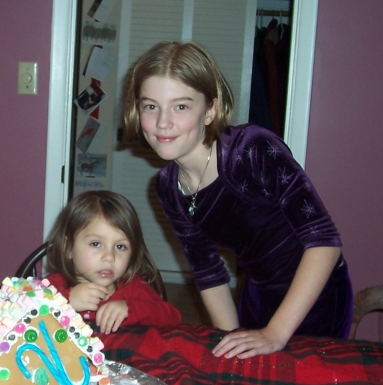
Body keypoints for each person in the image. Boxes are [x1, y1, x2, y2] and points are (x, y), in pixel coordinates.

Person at [122, 41, 352, 358]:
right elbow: (208, 272)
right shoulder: (166, 187)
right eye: (151, 106)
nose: (163, 122)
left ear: (210, 110)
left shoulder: (251, 150)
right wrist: (229, 341)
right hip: (257, 294)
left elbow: (325, 242)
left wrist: (275, 333)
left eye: (181, 106)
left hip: (317, 295)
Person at [44, 190, 181, 334]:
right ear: (68, 248)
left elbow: (172, 317)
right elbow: (22, 318)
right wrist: (64, 302)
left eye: (120, 247)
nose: (109, 257)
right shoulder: (53, 286)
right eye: (96, 244)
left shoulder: (133, 286)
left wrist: (130, 309)